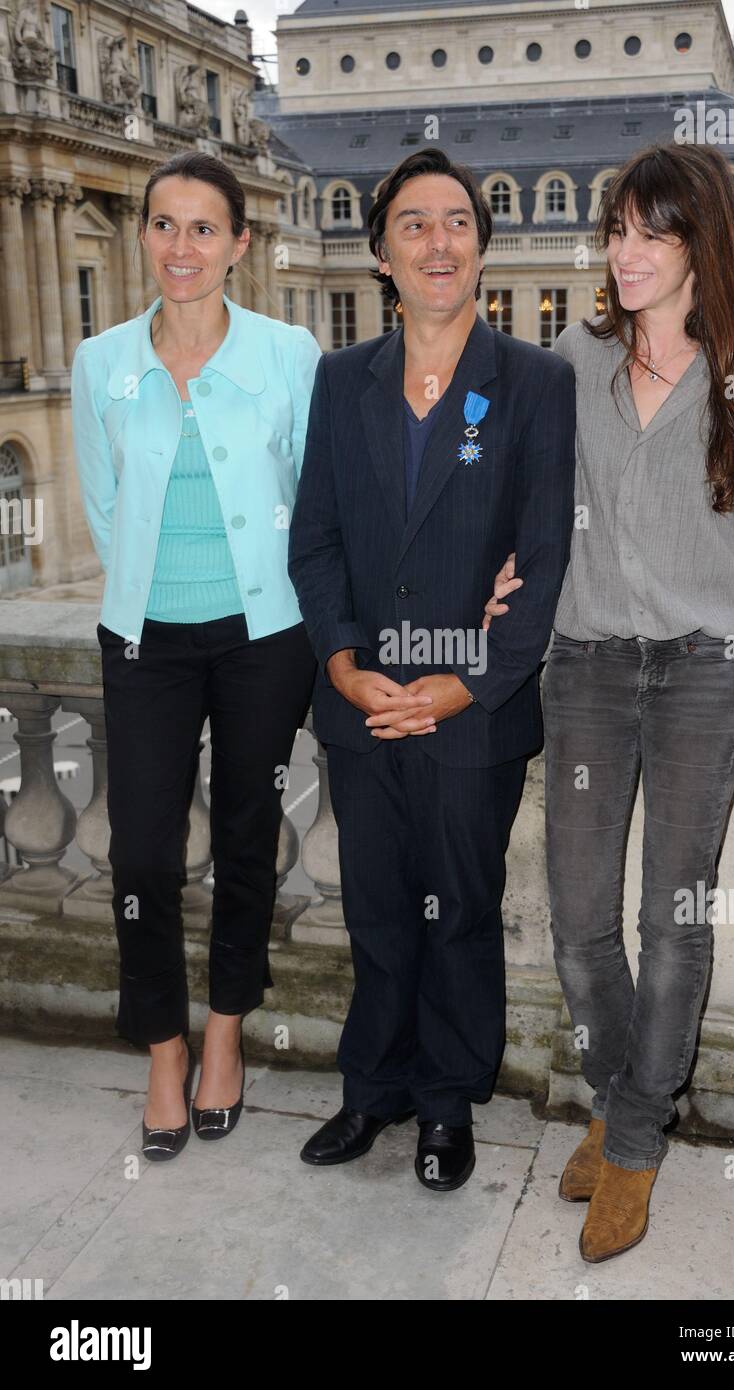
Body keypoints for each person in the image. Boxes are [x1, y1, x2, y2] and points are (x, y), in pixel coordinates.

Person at [483, 141, 734, 1257]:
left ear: (700, 246)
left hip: (698, 674)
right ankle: (615, 1098)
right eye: (618, 231)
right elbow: (528, 495)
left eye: (652, 233)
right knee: (580, 922)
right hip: (583, 668)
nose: (625, 253)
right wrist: (504, 572)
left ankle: (632, 1144)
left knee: (669, 919)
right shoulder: (570, 361)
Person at [288, 148, 576, 1191]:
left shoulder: (535, 382)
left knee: (454, 906)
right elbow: (313, 539)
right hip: (361, 701)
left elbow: (542, 557)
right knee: (374, 905)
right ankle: (373, 1088)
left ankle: (446, 1101)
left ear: (481, 250)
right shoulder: (338, 380)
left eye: (455, 221)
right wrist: (344, 663)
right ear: (380, 254)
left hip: (471, 710)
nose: (437, 241)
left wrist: (466, 681)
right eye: (413, 224)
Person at [71, 152, 320, 1161]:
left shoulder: (289, 353)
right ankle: (162, 1049)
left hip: (264, 637)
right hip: (144, 640)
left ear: (238, 243)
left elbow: (308, 497)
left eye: (203, 228)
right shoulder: (101, 364)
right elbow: (101, 501)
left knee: (248, 839)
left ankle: (225, 1037)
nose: (182, 248)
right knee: (141, 855)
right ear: (143, 236)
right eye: (164, 226)